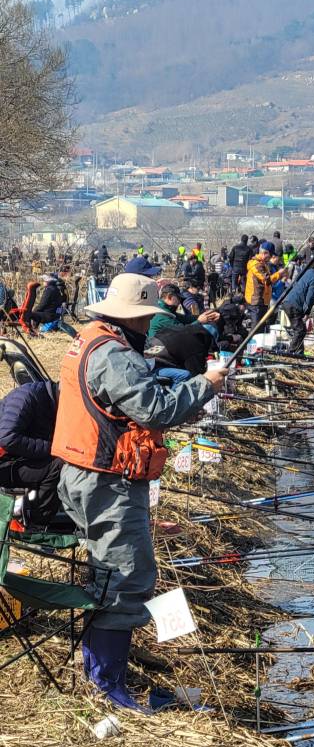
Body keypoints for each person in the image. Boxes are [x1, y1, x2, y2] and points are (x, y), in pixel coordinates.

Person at [51, 273, 227, 709]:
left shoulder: (89, 339)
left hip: (81, 473)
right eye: (148, 318)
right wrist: (206, 384)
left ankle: (102, 675)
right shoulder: (114, 353)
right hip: (105, 480)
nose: (150, 326)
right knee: (126, 579)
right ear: (137, 317)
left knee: (107, 575)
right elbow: (156, 411)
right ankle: (107, 687)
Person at [0, 381, 61, 525]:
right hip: (3, 462)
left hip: (10, 458)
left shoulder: (49, 402)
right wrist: (52, 448)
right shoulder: (28, 395)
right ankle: (35, 523)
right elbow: (7, 437)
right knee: (59, 464)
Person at [146, 324, 215, 387]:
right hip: (151, 368)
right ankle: (174, 398)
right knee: (184, 375)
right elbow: (196, 374)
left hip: (145, 358)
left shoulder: (182, 329)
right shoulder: (194, 344)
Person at [282, 259, 314, 354]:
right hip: (294, 304)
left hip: (288, 301)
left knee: (300, 329)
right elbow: (310, 297)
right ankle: (291, 352)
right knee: (300, 330)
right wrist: (306, 312)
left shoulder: (308, 272)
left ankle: (299, 352)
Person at [148, 282, 219, 341]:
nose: (179, 302)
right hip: (158, 349)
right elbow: (182, 331)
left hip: (166, 342)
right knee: (207, 329)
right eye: (178, 299)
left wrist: (207, 316)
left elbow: (185, 318)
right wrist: (199, 321)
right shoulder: (161, 314)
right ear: (169, 297)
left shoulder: (165, 308)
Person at [244, 241, 286, 332]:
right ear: (265, 253)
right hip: (256, 301)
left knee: (261, 327)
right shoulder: (256, 265)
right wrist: (279, 274)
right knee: (256, 329)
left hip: (262, 301)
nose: (271, 258)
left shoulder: (263, 263)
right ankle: (251, 345)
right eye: (270, 255)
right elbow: (267, 280)